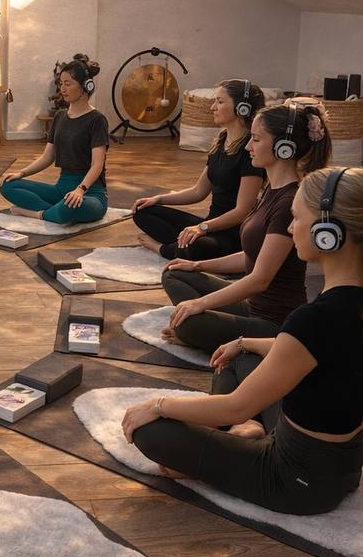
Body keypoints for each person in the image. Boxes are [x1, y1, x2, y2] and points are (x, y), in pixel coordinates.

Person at [121, 167, 362, 515]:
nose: (291, 227)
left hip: (294, 480)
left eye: (296, 219)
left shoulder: (315, 319)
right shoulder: (341, 308)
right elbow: (318, 355)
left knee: (151, 432)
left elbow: (236, 405)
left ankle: (239, 435)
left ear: (329, 234)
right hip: (344, 466)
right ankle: (246, 432)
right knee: (240, 355)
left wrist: (157, 405)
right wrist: (244, 342)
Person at [159, 100, 332, 352]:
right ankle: (203, 328)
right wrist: (197, 265)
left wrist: (200, 304)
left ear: (284, 148)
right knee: (175, 273)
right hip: (252, 306)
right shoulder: (271, 190)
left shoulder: (289, 202)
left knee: (190, 322)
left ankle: (200, 333)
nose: (249, 146)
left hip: (273, 322)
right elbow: (251, 256)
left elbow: (260, 280)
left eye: (257, 140)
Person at [132, 79, 265, 259]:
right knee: (142, 211)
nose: (212, 107)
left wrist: (202, 228)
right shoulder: (221, 142)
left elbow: (242, 211)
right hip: (209, 223)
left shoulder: (250, 151)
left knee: (195, 247)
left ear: (242, 108)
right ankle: (180, 245)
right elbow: (198, 191)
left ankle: (165, 249)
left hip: (232, 233)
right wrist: (158, 199)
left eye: (220, 101)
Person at [0, 54, 109, 223]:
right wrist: (21, 173)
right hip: (61, 190)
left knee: (69, 205)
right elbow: (47, 157)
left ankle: (38, 214)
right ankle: (55, 213)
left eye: (68, 84)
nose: (62, 89)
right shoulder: (59, 116)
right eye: (61, 83)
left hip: (91, 193)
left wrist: (80, 190)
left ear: (85, 86)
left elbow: (97, 165)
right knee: (8, 185)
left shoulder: (97, 120)